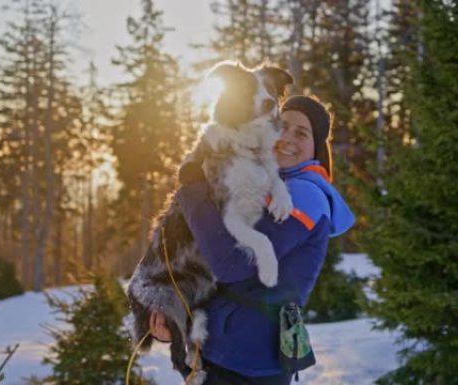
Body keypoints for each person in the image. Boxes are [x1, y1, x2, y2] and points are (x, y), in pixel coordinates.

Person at [151, 95, 355, 385]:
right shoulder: (264, 185)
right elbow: (208, 252)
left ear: (316, 147)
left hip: (249, 366)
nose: (287, 138)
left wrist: (194, 191)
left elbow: (233, 263)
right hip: (223, 353)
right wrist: (174, 310)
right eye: (281, 126)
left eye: (301, 132)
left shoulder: (305, 195)